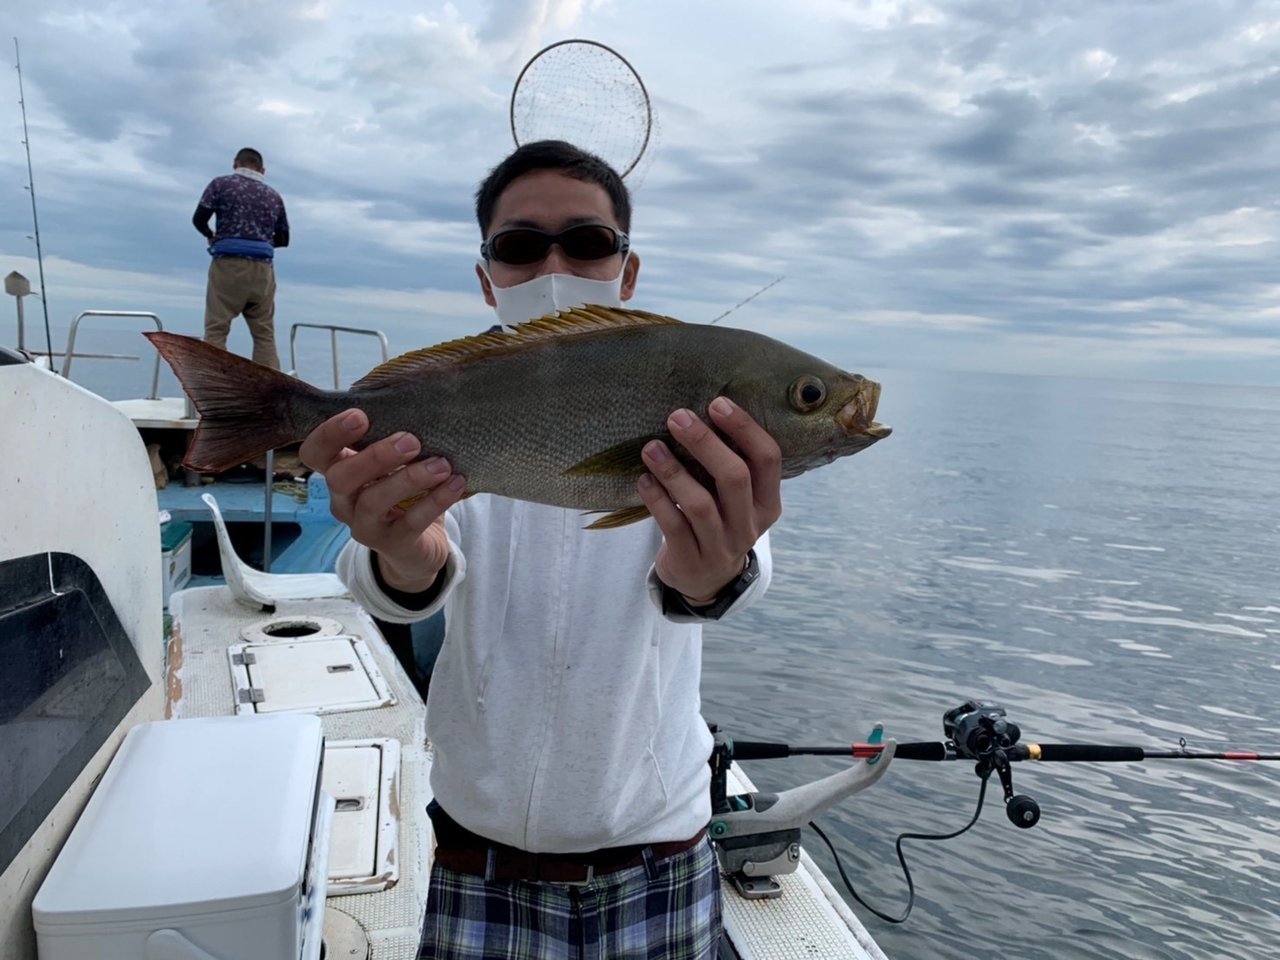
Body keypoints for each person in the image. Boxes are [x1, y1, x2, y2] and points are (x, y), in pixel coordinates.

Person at [299, 139, 784, 959]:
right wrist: (403, 556)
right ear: (487, 276)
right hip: (477, 854)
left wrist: (712, 573)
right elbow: (394, 571)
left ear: (628, 273)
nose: (555, 263)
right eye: (520, 246)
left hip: (657, 852)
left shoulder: (690, 402)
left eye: (588, 243)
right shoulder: (449, 400)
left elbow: (749, 559)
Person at [192, 147, 289, 369]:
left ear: (235, 164)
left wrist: (211, 236)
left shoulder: (220, 184)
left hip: (228, 265)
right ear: (262, 170)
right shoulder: (274, 196)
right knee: (264, 335)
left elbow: (198, 219)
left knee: (217, 329)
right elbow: (283, 238)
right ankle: (270, 394)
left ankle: (216, 390)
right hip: (263, 271)